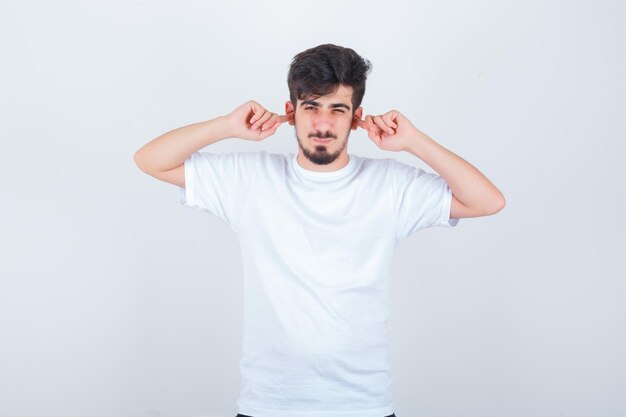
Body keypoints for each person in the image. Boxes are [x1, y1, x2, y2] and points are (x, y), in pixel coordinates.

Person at [134, 43, 505, 417]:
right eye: (311, 107)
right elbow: (149, 160)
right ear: (291, 112)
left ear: (356, 117)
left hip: (363, 405)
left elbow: (487, 201)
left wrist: (413, 141)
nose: (323, 125)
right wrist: (227, 127)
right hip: (268, 405)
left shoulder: (390, 186)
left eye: (337, 110)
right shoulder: (249, 179)